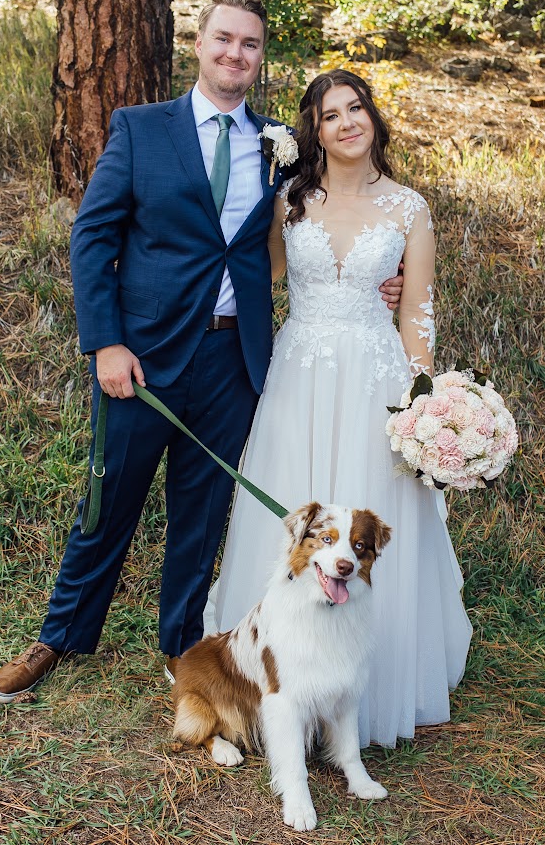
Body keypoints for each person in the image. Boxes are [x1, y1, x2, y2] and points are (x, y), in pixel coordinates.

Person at [0, 0, 403, 703]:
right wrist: (106, 343)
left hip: (233, 362)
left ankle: (180, 646)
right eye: (224, 39)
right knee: (107, 505)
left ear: (261, 57)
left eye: (250, 44)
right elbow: (93, 237)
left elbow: (327, 220)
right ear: (199, 44)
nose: (236, 53)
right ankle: (57, 637)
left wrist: (380, 278)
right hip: (141, 360)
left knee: (201, 516)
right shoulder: (141, 129)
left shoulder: (281, 145)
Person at [204, 69, 472, 747]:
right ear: (314, 131)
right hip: (299, 375)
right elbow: (256, 275)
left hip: (374, 380)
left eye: (356, 108)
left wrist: (423, 409)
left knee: (363, 513)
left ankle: (370, 693)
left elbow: (417, 315)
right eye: (330, 115)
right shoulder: (290, 200)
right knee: (292, 517)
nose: (347, 122)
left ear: (372, 118)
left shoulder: (409, 208)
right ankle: (273, 685)